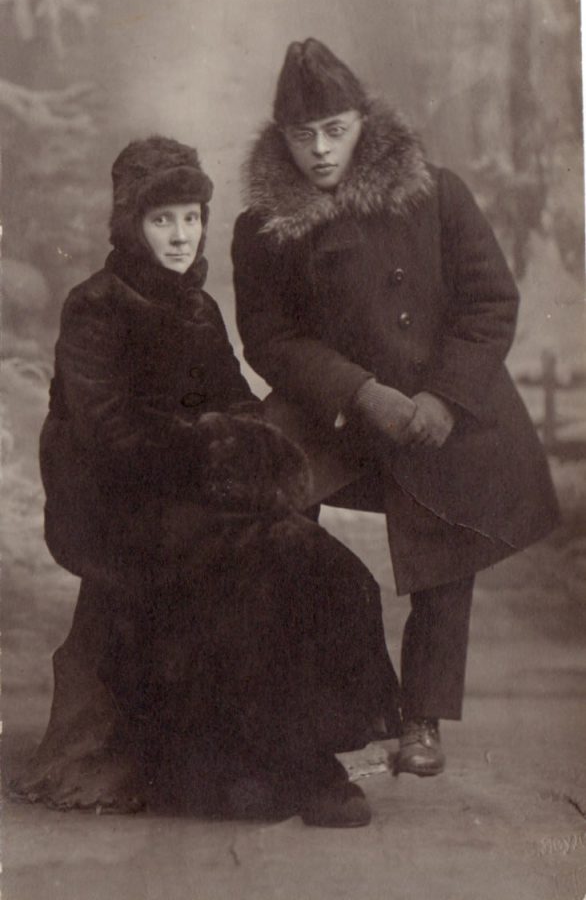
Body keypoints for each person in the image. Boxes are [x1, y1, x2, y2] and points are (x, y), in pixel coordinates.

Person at [13, 134, 400, 828]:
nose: (180, 235)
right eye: (162, 219)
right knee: (254, 564)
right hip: (114, 503)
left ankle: (305, 757)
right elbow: (108, 434)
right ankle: (252, 767)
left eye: (191, 218)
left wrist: (251, 449)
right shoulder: (95, 305)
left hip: (193, 489)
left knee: (323, 565)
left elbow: (238, 399)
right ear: (131, 225)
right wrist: (216, 449)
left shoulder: (198, 308)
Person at [231, 38, 560, 777]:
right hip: (338, 410)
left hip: (439, 402)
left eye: (335, 130)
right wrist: (358, 393)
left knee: (446, 534)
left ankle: (423, 718)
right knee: (271, 503)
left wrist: (442, 399)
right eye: (303, 135)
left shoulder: (436, 194)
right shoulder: (263, 227)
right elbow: (270, 339)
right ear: (281, 136)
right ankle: (303, 693)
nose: (320, 151)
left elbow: (489, 303)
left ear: (363, 123)